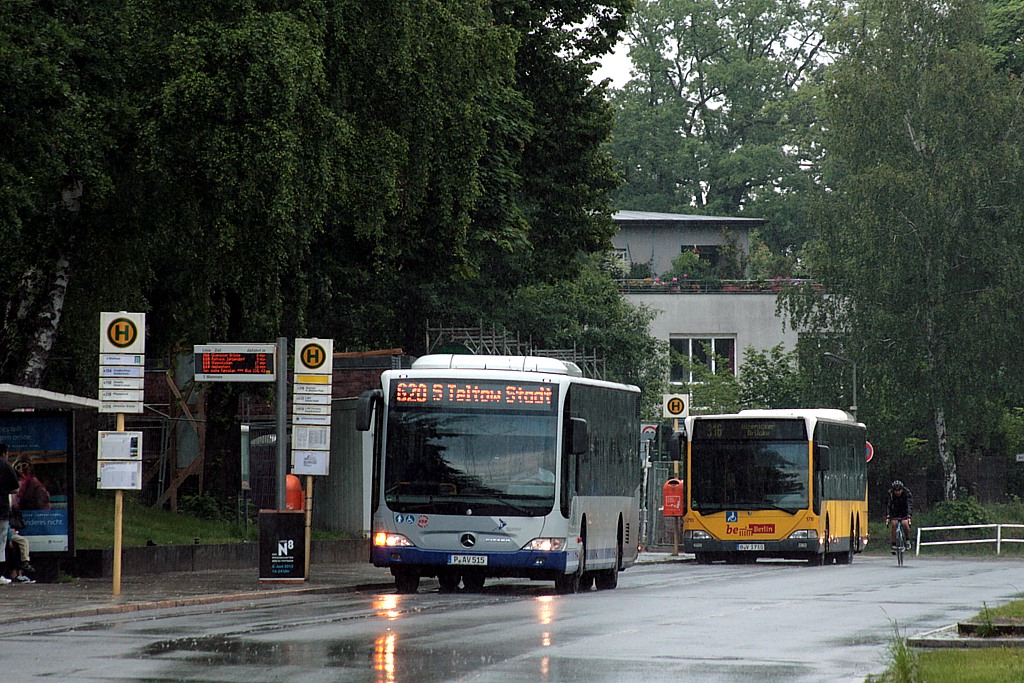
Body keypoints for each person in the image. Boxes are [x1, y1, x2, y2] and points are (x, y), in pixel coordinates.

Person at [0, 444, 20, 585]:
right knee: (0, 543)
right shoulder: (6, 466)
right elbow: (15, 488)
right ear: (5, 453)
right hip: (1, 510)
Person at [885, 480, 913, 553]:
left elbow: (909, 505)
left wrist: (909, 515)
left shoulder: (906, 493)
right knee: (894, 524)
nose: (897, 492)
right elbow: (888, 505)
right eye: (895, 490)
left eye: (899, 490)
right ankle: (894, 543)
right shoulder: (890, 494)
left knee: (904, 524)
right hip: (894, 511)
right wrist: (888, 516)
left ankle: (907, 540)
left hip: (904, 511)